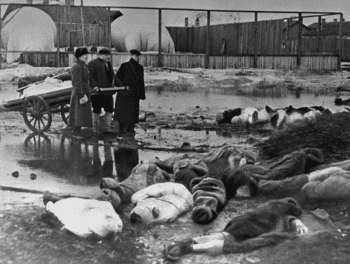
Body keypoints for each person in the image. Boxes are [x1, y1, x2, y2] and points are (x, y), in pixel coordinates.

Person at [114, 49, 146, 135]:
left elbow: (141, 82)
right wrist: (122, 87)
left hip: (135, 93)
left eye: (138, 56)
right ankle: (121, 128)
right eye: (136, 56)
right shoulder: (124, 66)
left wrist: (142, 94)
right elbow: (117, 78)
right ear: (131, 56)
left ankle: (130, 129)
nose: (137, 58)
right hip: (124, 92)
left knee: (133, 111)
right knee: (122, 111)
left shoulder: (140, 68)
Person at [88, 48, 116, 133]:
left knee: (110, 109)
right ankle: (95, 129)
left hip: (107, 91)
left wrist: (120, 84)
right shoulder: (92, 63)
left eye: (108, 55)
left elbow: (113, 76)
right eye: (105, 55)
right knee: (97, 109)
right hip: (97, 92)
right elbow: (90, 77)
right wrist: (95, 86)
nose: (108, 57)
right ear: (99, 55)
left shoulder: (109, 64)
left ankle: (107, 127)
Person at [68, 47, 92, 132]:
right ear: (78, 56)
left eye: (86, 55)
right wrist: (81, 94)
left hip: (84, 90)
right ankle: (75, 131)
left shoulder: (84, 65)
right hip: (79, 92)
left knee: (82, 113)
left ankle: (77, 129)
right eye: (83, 55)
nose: (86, 57)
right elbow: (76, 82)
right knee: (78, 112)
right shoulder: (77, 66)